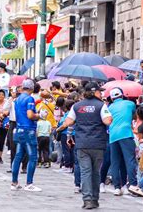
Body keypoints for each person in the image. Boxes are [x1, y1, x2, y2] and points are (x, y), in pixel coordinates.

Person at [57, 82, 113, 210]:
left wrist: (61, 128)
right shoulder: (101, 105)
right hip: (98, 144)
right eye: (100, 91)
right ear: (94, 92)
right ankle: (95, 199)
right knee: (95, 172)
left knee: (86, 172)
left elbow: (68, 121)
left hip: (82, 143)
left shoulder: (77, 106)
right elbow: (107, 121)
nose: (101, 93)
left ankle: (87, 200)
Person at [107, 88, 139, 196]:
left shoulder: (110, 107)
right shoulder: (130, 104)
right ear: (122, 95)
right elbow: (134, 115)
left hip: (113, 136)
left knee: (115, 162)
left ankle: (117, 187)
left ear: (112, 98)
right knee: (129, 160)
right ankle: (133, 185)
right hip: (125, 133)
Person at [11, 79, 42, 192]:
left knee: (18, 156)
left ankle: (14, 182)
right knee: (33, 156)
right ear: (32, 88)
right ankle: (29, 183)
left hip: (19, 129)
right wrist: (39, 115)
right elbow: (30, 115)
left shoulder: (18, 99)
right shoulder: (29, 99)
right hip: (28, 130)